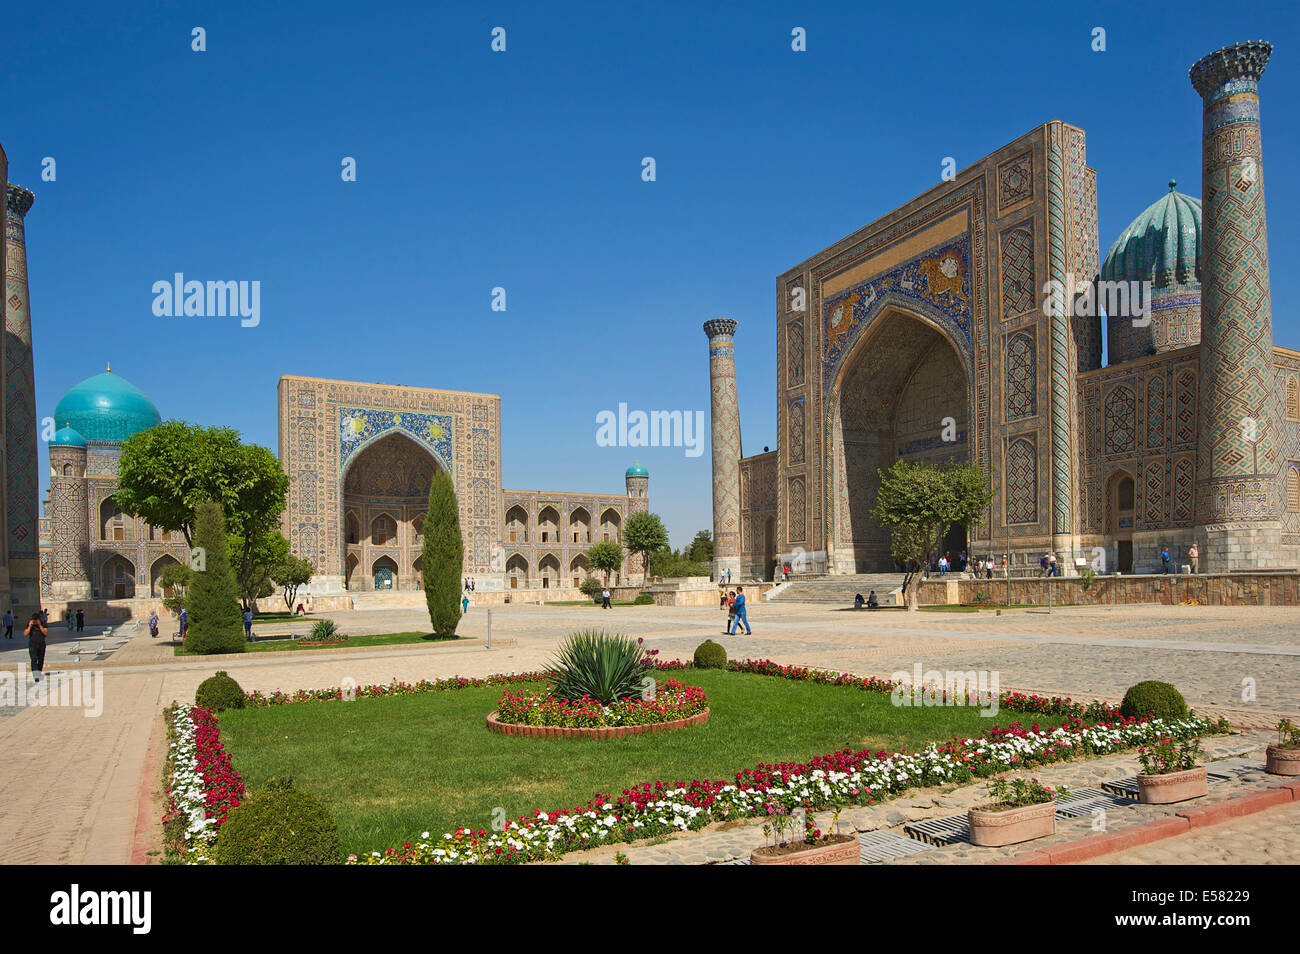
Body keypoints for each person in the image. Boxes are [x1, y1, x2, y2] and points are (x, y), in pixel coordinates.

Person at [25, 612, 47, 682]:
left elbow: (45, 633)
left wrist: (40, 625)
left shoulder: (43, 624)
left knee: (41, 660)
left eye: (36, 620)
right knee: (33, 660)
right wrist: (30, 626)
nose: (34, 621)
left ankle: (39, 673)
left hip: (41, 645)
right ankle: (36, 676)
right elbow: (25, 634)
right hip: (32, 645)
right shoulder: (30, 624)